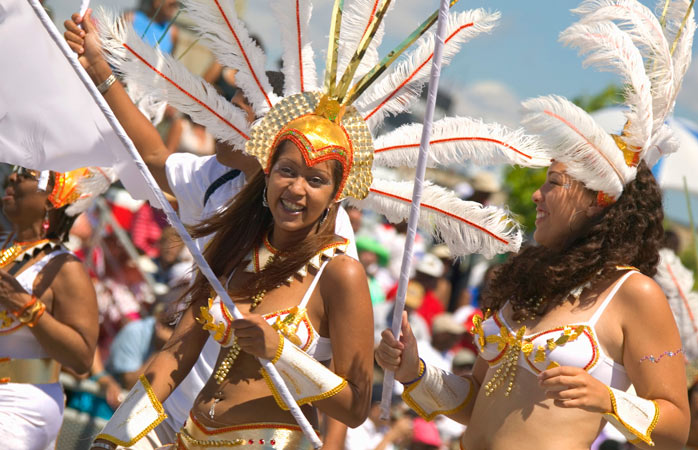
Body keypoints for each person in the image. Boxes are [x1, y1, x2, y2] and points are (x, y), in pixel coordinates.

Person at [66, 2, 542, 448]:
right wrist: (115, 436)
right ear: (268, 169)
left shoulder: (339, 270)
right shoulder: (234, 238)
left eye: (315, 179)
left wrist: (280, 352)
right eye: (288, 171)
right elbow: (176, 349)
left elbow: (356, 405)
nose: (296, 189)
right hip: (186, 431)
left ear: (337, 193)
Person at [375, 2, 693, 448]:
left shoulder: (633, 293)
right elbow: (475, 403)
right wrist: (416, 371)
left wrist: (610, 400)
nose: (536, 196)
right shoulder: (528, 277)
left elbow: (677, 426)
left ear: (597, 200)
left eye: (554, 183)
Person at [0, 166, 106, 449]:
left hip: (21, 403)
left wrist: (23, 305)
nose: (12, 177)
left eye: (26, 173)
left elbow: (82, 357)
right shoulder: (3, 248)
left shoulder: (65, 267)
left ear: (52, 199)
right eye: (14, 171)